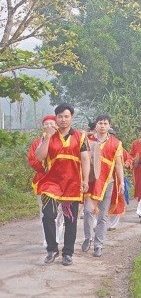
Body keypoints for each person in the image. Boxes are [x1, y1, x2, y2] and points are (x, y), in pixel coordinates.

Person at [33, 103, 90, 266]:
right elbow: (39, 156)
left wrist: (85, 180)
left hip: (72, 183)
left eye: (66, 116)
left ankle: (68, 253)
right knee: (48, 215)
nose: (63, 119)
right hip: (51, 182)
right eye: (60, 116)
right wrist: (48, 137)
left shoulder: (80, 136)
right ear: (55, 118)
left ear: (72, 118)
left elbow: (85, 159)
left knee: (70, 219)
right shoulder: (48, 136)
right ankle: (52, 249)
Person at [81, 115, 124, 257]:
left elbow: (118, 164)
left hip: (108, 182)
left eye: (105, 123)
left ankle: (98, 245)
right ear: (96, 125)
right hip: (91, 181)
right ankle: (88, 237)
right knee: (87, 211)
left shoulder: (116, 143)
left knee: (103, 216)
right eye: (100, 123)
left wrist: (122, 181)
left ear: (109, 126)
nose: (102, 126)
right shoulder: (87, 140)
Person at [28, 115, 64, 247]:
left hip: (62, 182)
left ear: (57, 125)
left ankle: (58, 236)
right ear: (43, 126)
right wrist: (45, 169)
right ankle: (48, 238)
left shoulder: (63, 141)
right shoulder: (37, 143)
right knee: (45, 212)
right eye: (46, 124)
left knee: (60, 212)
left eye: (52, 124)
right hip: (43, 181)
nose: (49, 126)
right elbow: (32, 159)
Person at [107, 128, 131, 230]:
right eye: (109, 135)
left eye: (112, 135)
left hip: (116, 179)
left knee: (117, 201)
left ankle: (112, 225)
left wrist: (127, 163)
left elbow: (129, 158)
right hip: (104, 179)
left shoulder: (119, 148)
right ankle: (101, 224)